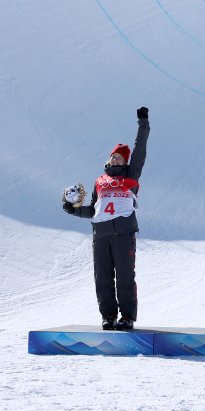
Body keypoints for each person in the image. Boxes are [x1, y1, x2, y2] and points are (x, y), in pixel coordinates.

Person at [63, 107, 150, 330]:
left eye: (120, 157)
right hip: (100, 234)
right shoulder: (100, 181)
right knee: (102, 278)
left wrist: (143, 123)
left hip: (122, 232)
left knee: (124, 277)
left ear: (125, 161)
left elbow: (140, 150)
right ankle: (108, 315)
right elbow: (94, 209)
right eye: (113, 155)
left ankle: (127, 317)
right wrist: (72, 208)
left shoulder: (131, 175)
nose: (115, 158)